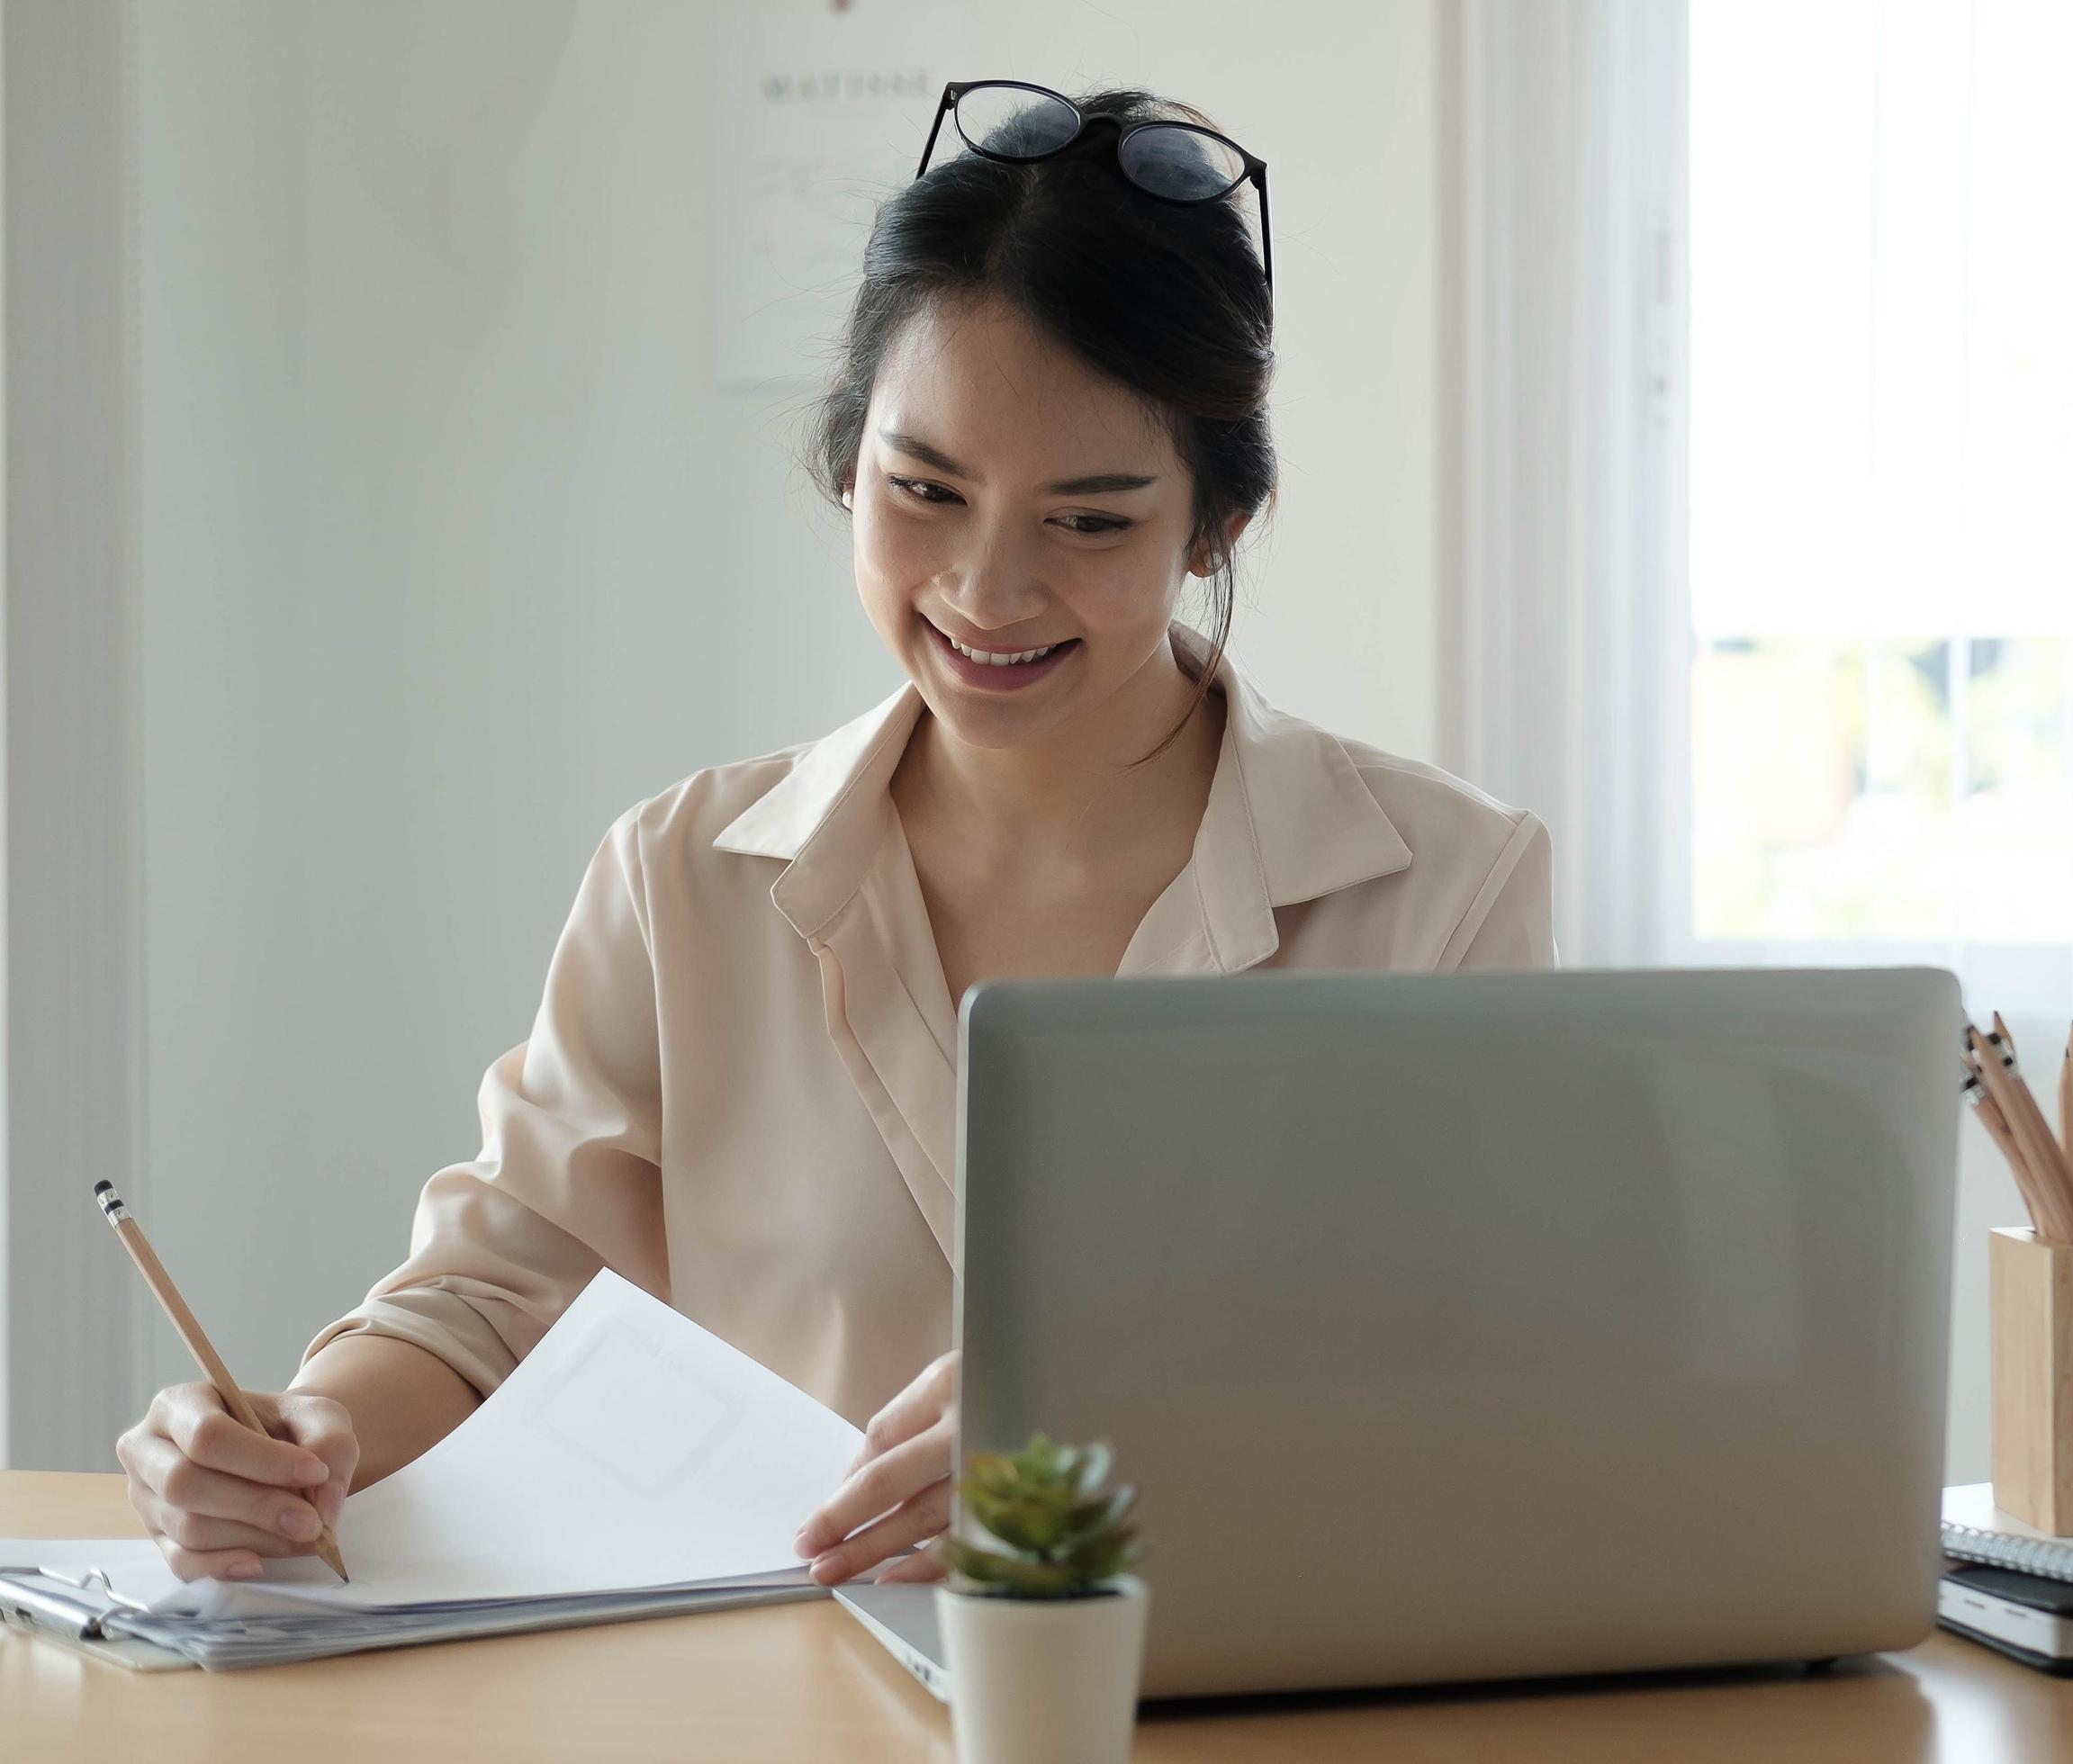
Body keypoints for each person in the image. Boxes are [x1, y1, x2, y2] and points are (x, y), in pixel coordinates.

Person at [114, 86, 1551, 1588]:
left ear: (1211, 528)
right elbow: (482, 1307)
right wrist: (301, 1438)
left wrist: (1133, 1431)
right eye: (923, 491)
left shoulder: (1439, 890)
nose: (986, 591)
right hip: (773, 1704)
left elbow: (1504, 1384)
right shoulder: (684, 877)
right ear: (845, 466)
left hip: (1238, 1694)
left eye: (1090, 522)